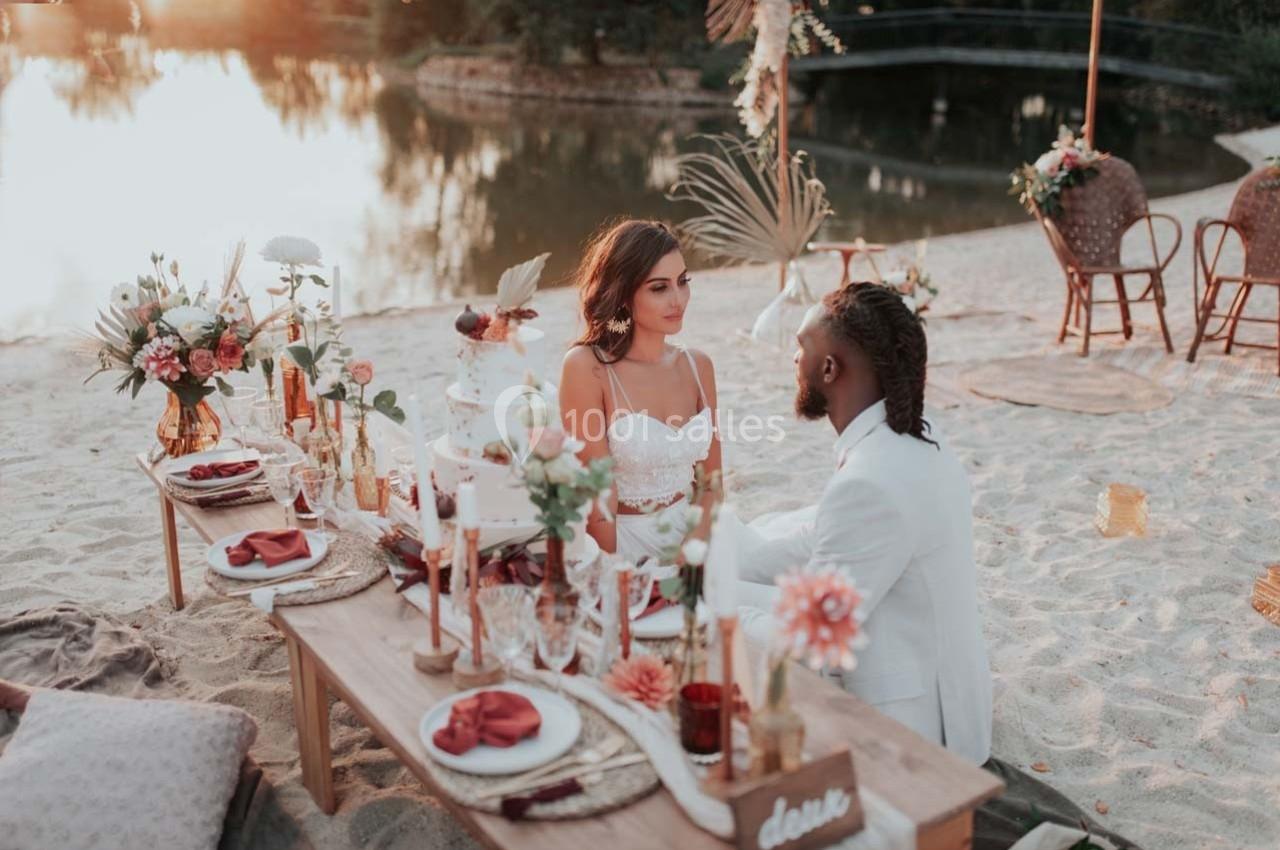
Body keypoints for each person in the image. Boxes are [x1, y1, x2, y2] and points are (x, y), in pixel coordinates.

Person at [737, 282, 992, 765]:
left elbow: (809, 646)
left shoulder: (870, 483)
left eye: (801, 348)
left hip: (915, 733)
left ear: (829, 370)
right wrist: (725, 570)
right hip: (950, 695)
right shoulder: (917, 438)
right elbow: (822, 538)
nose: (795, 361)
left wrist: (716, 614)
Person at [559, 219, 721, 562]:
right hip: (626, 544)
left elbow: (711, 484)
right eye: (659, 287)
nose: (678, 299)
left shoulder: (698, 366)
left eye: (683, 282)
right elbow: (598, 495)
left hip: (697, 535)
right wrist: (615, 574)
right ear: (623, 294)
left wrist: (691, 552)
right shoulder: (587, 367)